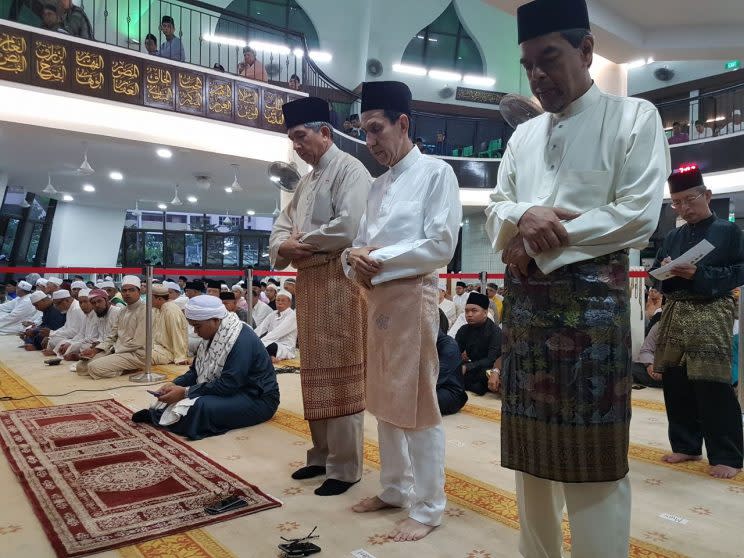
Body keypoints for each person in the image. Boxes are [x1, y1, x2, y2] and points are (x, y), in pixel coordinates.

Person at [484, 1, 671, 556]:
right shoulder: (523, 138)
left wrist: (539, 234)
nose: (538, 75)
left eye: (550, 58)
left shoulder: (633, 117)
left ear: (586, 50)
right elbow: (498, 206)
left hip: (593, 318)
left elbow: (639, 212)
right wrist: (523, 216)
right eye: (528, 65)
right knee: (532, 463)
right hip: (526, 316)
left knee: (594, 464)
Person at [343, 80, 461, 541]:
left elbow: (439, 245)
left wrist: (375, 259)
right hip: (374, 299)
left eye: (377, 130)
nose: (371, 143)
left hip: (413, 298)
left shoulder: (436, 173)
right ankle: (395, 489)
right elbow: (357, 249)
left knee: (417, 405)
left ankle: (430, 506)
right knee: (384, 400)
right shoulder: (375, 188)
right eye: (365, 133)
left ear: (403, 123)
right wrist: (355, 261)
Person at [270, 96, 371, 497]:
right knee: (314, 371)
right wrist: (285, 247)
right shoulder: (308, 180)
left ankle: (346, 468)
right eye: (291, 139)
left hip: (339, 278)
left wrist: (299, 244)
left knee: (342, 372)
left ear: (324, 133)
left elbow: (348, 227)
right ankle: (321, 457)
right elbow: (280, 228)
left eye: (300, 136)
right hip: (310, 283)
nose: (296, 145)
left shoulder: (352, 170)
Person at [652, 165, 744, 479]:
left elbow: (740, 271)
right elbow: (657, 275)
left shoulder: (728, 232)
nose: (683, 208)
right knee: (675, 381)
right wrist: (665, 270)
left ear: (707, 195)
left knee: (712, 383)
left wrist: (699, 274)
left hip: (711, 309)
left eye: (689, 200)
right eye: (676, 203)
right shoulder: (673, 236)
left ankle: (726, 454)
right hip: (676, 311)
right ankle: (686, 444)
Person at [132, 295, 280, 440]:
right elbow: (195, 372)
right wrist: (176, 384)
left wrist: (185, 392)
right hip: (233, 390)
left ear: (215, 320)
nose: (196, 332)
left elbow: (229, 384)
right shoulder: (212, 335)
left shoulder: (240, 339)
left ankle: (167, 419)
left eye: (197, 326)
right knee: (179, 399)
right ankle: (160, 416)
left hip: (257, 397)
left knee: (201, 406)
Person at [77, 276, 146, 379]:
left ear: (139, 292)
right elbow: (112, 336)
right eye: (124, 290)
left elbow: (138, 342)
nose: (127, 293)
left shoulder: (145, 310)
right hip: (119, 350)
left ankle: (129, 370)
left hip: (136, 354)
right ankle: (116, 366)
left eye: (131, 290)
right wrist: (95, 350)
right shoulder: (122, 311)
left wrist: (113, 350)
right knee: (81, 367)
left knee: (94, 367)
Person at [455, 292, 503, 396]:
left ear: (485, 313)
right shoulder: (464, 330)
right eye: (467, 311)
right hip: (472, 366)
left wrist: (467, 367)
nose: (469, 314)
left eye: (474, 311)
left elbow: (491, 359)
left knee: (482, 377)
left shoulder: (495, 332)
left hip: (490, 368)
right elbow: (455, 351)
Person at [57, 289, 121, 360]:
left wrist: (98, 345)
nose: (97, 305)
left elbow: (115, 337)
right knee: (82, 364)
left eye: (99, 301)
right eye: (93, 303)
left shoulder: (117, 312)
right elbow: (99, 336)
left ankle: (78, 356)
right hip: (102, 346)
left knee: (88, 361)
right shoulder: (100, 314)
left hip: (114, 348)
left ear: (106, 300)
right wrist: (98, 342)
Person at [151, 284, 189, 365]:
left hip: (168, 353)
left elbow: (177, 334)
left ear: (159, 299)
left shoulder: (171, 311)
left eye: (151, 298)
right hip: (156, 348)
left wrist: (180, 357)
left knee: (140, 356)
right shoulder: (157, 309)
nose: (148, 300)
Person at [254, 290, 297, 361]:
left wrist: (259, 342)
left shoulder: (292, 316)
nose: (280, 302)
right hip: (269, 341)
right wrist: (251, 339)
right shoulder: (273, 314)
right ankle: (269, 357)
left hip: (284, 347)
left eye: (283, 301)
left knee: (267, 346)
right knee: (253, 346)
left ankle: (269, 357)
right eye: (278, 300)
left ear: (289, 303)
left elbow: (277, 333)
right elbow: (261, 328)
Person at [45, 289, 86, 356]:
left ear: (66, 300)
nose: (56, 308)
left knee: (55, 341)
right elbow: (66, 327)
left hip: (80, 338)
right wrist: (52, 334)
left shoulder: (77, 309)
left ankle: (57, 352)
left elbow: (75, 332)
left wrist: (52, 333)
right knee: (52, 339)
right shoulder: (70, 308)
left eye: (57, 304)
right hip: (75, 338)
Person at [436, 330, 468, 416]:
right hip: (429, 389)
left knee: (409, 400)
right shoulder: (419, 342)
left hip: (449, 392)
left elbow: (436, 378)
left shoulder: (449, 346)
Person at [632, 322, 663, 388]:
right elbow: (646, 350)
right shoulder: (659, 325)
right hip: (656, 368)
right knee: (629, 367)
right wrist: (650, 364)